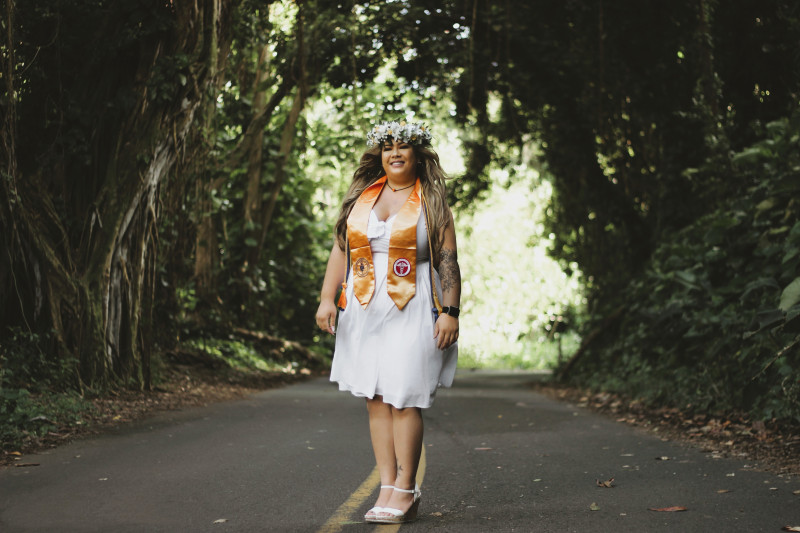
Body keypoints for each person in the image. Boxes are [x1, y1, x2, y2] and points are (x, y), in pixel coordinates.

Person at [315, 120, 460, 524]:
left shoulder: (432, 202)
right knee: (375, 398)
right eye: (387, 147)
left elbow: (447, 261)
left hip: (413, 305)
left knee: (404, 396)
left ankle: (406, 488)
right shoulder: (364, 198)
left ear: (418, 154)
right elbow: (340, 252)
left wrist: (450, 311)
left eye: (403, 146)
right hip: (364, 308)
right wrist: (328, 299)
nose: (394, 153)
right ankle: (386, 486)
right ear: (379, 155)